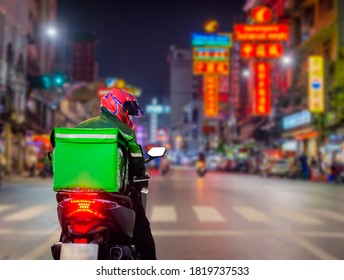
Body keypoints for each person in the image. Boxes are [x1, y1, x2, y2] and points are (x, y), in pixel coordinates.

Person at [50, 88, 156, 260]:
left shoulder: (82, 127)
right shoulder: (124, 131)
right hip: (112, 193)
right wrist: (140, 171)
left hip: (75, 193)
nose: (128, 115)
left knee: (66, 230)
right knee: (142, 228)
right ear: (117, 106)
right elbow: (137, 164)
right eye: (127, 110)